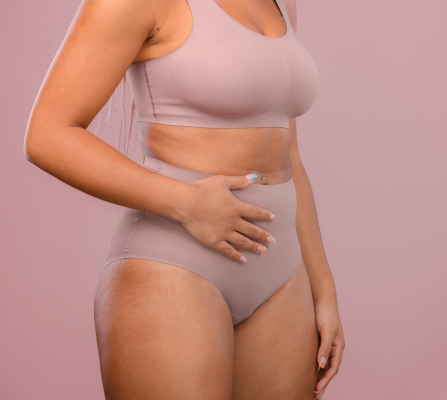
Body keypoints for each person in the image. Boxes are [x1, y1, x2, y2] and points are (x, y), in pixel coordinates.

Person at [23, 0, 345, 398]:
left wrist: (323, 291)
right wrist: (187, 203)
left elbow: (289, 157)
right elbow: (47, 135)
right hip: (175, 262)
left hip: (281, 272)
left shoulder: (281, 3)